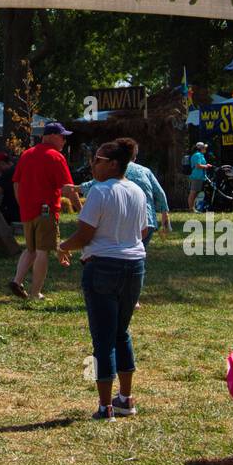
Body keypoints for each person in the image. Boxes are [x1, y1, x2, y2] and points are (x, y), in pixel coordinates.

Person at [56, 138, 149, 420]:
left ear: (112, 164)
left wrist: (62, 246)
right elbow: (143, 231)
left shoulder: (100, 191)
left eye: (97, 159)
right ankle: (126, 399)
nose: (93, 164)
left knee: (103, 339)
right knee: (121, 333)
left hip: (103, 268)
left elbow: (84, 236)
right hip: (135, 267)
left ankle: (105, 406)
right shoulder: (137, 191)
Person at [9, 122, 82, 301]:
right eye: (62, 137)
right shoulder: (55, 157)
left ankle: (17, 281)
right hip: (46, 211)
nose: (64, 141)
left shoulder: (26, 154)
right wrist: (82, 210)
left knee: (31, 249)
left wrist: (22, 204)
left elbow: (16, 182)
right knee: (43, 251)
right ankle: (35, 293)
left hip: (27, 211)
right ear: (51, 136)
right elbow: (67, 189)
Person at [186, 142, 211, 210]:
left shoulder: (200, 155)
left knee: (196, 193)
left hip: (200, 177)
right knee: (193, 193)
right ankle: (191, 208)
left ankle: (193, 208)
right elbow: (198, 165)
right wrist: (206, 166)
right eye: (204, 147)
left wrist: (206, 166)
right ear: (201, 148)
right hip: (196, 176)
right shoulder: (198, 155)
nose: (205, 149)